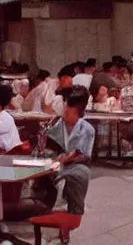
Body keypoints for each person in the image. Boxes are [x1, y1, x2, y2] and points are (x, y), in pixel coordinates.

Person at [45, 86, 95, 216]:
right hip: (53, 162)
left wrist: (67, 158)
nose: (64, 112)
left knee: (79, 174)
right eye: (64, 109)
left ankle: (73, 209)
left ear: (78, 112)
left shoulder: (87, 129)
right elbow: (47, 144)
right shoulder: (57, 124)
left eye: (68, 112)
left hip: (75, 166)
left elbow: (84, 155)